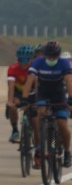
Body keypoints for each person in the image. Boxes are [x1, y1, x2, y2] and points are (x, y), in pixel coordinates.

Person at [22, 40, 72, 168]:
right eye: (49, 56)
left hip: (59, 95)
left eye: (54, 56)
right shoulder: (38, 62)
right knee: (39, 115)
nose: (51, 58)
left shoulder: (63, 63)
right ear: (44, 55)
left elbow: (69, 81)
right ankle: (40, 146)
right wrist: (24, 98)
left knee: (62, 123)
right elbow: (30, 80)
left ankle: (67, 152)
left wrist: (71, 99)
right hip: (44, 94)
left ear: (58, 55)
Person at [6, 44, 35, 142]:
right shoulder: (13, 68)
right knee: (12, 106)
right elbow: (11, 87)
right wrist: (10, 102)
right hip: (18, 93)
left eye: (26, 60)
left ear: (31, 59)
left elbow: (39, 88)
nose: (23, 63)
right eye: (20, 60)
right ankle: (15, 130)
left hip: (32, 92)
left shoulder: (36, 68)